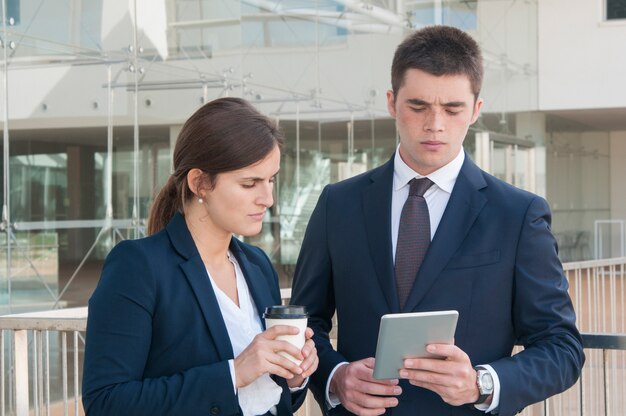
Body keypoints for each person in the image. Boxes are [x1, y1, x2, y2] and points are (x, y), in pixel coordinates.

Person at [291, 25, 584, 416]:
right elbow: (306, 322)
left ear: (476, 110)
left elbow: (561, 347)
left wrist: (482, 384)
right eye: (418, 106)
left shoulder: (517, 214)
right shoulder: (337, 204)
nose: (435, 124)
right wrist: (334, 376)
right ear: (392, 103)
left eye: (452, 108)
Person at [83, 97, 318, 416]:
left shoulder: (258, 265)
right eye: (250, 183)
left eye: (271, 180)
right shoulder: (138, 267)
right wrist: (234, 374)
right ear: (199, 183)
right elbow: (106, 402)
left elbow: (270, 400)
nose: (268, 199)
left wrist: (294, 378)